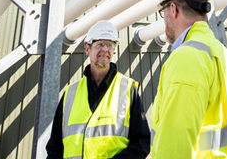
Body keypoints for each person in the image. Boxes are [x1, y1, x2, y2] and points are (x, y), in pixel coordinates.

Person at [150, 0, 227, 158]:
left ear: (173, 9)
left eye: (162, 12)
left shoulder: (187, 57)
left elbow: (175, 146)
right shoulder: (226, 56)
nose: (164, 19)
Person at [46, 20, 151, 159]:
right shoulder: (70, 93)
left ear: (114, 49)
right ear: (87, 49)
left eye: (110, 44)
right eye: (100, 44)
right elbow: (55, 147)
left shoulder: (128, 89)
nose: (105, 49)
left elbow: (142, 143)